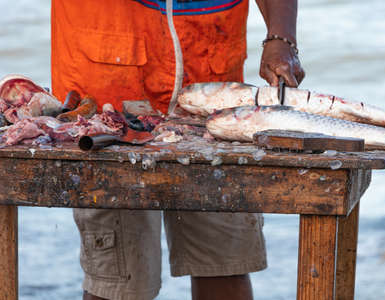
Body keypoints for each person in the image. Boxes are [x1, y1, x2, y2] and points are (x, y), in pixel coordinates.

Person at [50, 1, 305, 299]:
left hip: (212, 100)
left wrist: (281, 37)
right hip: (108, 108)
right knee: (118, 278)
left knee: (225, 263)